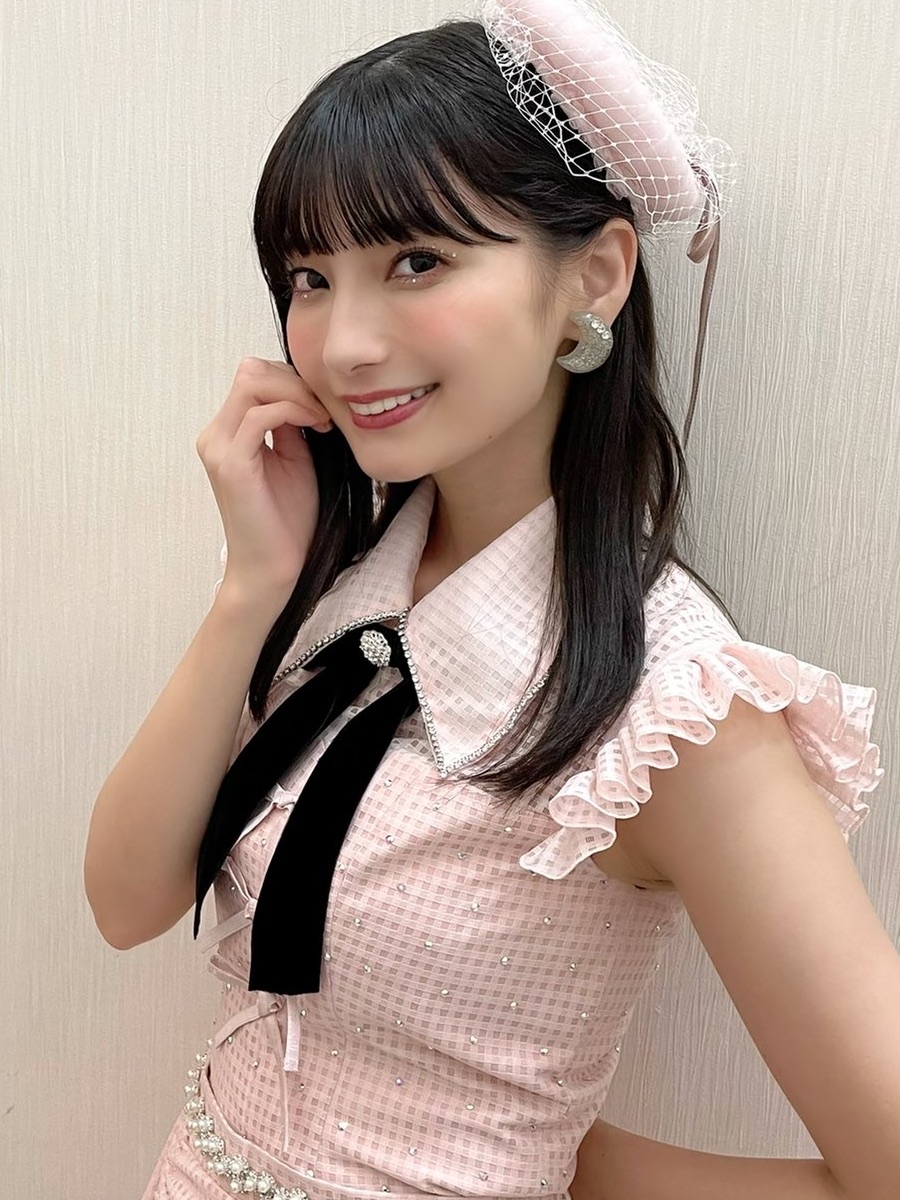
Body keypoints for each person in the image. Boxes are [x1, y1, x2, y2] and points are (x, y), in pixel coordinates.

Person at [84, 4, 900, 1199]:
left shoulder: (673, 710)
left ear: (595, 277)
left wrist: (552, 1166)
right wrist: (250, 587)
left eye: (417, 260)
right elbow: (127, 902)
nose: (343, 344)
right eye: (310, 278)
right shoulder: (337, 593)